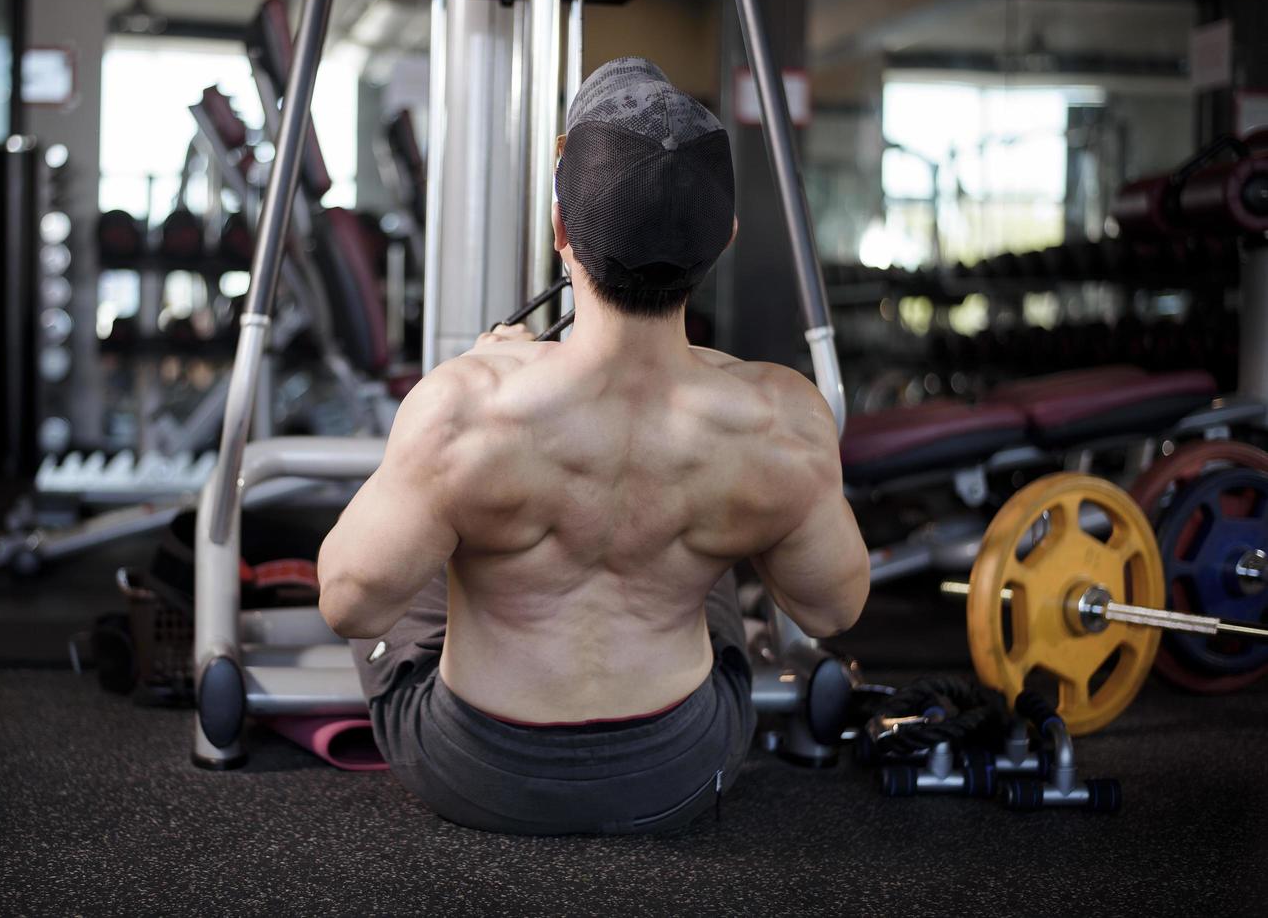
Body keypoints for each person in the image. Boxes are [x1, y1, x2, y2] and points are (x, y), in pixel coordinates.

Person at [316, 57, 869, 835]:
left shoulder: (462, 408)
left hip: (475, 770)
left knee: (425, 525)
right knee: (706, 536)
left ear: (561, 231)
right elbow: (832, 607)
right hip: (680, 766)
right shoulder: (784, 419)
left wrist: (473, 387)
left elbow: (347, 604)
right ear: (725, 239)